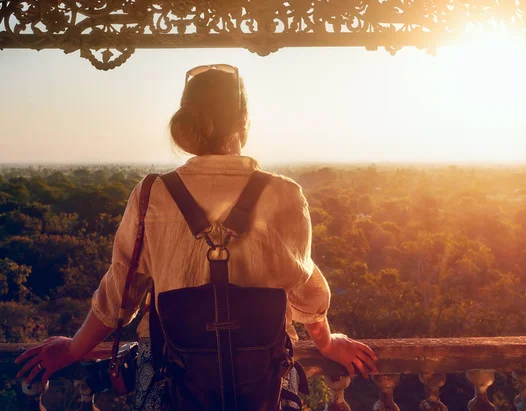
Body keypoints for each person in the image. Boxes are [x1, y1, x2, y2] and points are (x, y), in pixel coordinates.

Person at [16, 64, 378, 409]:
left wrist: (72, 350)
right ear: (244, 121)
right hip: (263, 383)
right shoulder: (284, 193)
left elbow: (120, 294)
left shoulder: (151, 194)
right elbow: (305, 290)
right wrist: (328, 343)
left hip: (173, 379)